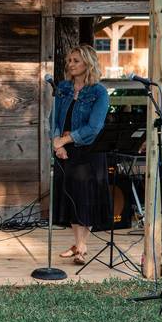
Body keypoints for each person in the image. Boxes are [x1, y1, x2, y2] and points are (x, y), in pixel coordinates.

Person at [50, 44, 111, 265]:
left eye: (75, 60)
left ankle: (82, 247)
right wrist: (58, 145)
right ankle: (79, 244)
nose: (70, 64)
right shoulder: (64, 88)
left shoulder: (98, 92)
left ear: (88, 63)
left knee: (87, 199)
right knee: (73, 199)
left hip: (89, 152)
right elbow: (54, 120)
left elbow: (94, 127)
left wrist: (66, 139)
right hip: (66, 152)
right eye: (69, 61)